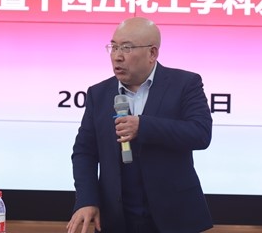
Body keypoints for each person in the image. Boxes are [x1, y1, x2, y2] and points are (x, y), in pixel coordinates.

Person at [67, 17, 213, 233]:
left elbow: (200, 133)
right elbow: (84, 152)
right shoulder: (98, 94)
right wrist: (87, 199)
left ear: (152, 53)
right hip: (115, 216)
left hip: (174, 215)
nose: (117, 56)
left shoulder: (185, 84)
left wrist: (143, 126)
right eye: (113, 47)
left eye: (126, 48)